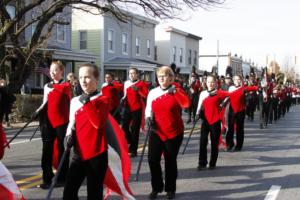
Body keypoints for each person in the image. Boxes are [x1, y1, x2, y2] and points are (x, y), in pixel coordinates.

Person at [63, 63, 110, 200]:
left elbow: (98, 123)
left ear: (96, 80)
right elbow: (72, 122)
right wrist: (68, 136)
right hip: (79, 153)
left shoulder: (103, 100)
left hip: (97, 153)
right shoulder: (75, 101)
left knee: (94, 194)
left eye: (88, 77)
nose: (83, 81)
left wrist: (87, 103)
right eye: (81, 77)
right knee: (69, 192)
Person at [145, 66, 190, 199]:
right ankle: (156, 187)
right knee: (153, 160)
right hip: (156, 130)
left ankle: (171, 189)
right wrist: (148, 118)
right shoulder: (153, 92)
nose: (162, 79)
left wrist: (176, 92)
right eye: (160, 76)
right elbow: (148, 108)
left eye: (165, 76)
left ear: (171, 77)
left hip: (174, 132)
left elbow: (186, 104)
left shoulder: (177, 90)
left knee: (170, 161)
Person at [33, 61, 71, 189]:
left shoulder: (66, 86)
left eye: (55, 70)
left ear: (61, 72)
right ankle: (47, 178)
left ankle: (62, 178)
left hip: (62, 121)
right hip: (48, 121)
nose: (52, 73)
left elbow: (67, 97)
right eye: (51, 70)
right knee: (46, 150)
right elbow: (45, 102)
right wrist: (37, 111)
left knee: (62, 150)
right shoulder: (47, 86)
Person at [196, 75, 230, 170]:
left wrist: (223, 103)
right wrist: (197, 113)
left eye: (212, 82)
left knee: (214, 143)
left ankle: (212, 163)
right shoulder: (203, 93)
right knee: (203, 141)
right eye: (208, 82)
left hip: (215, 121)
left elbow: (230, 95)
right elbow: (200, 104)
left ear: (215, 83)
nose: (210, 84)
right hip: (205, 121)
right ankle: (202, 162)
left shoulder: (218, 93)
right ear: (206, 83)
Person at [226, 75, 258, 151]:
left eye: (239, 79)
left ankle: (239, 145)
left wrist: (259, 87)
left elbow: (252, 88)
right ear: (233, 80)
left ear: (241, 80)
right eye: (236, 79)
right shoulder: (231, 88)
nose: (237, 81)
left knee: (239, 129)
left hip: (241, 110)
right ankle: (230, 144)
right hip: (232, 110)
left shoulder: (243, 88)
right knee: (230, 128)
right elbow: (226, 96)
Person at [122, 68, 148, 157]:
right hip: (127, 108)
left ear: (137, 74)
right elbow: (125, 95)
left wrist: (138, 90)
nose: (131, 75)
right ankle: (129, 140)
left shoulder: (141, 83)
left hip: (137, 109)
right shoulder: (126, 83)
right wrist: (122, 99)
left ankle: (133, 150)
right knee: (124, 127)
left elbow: (145, 95)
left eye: (133, 73)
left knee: (134, 130)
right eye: (130, 73)